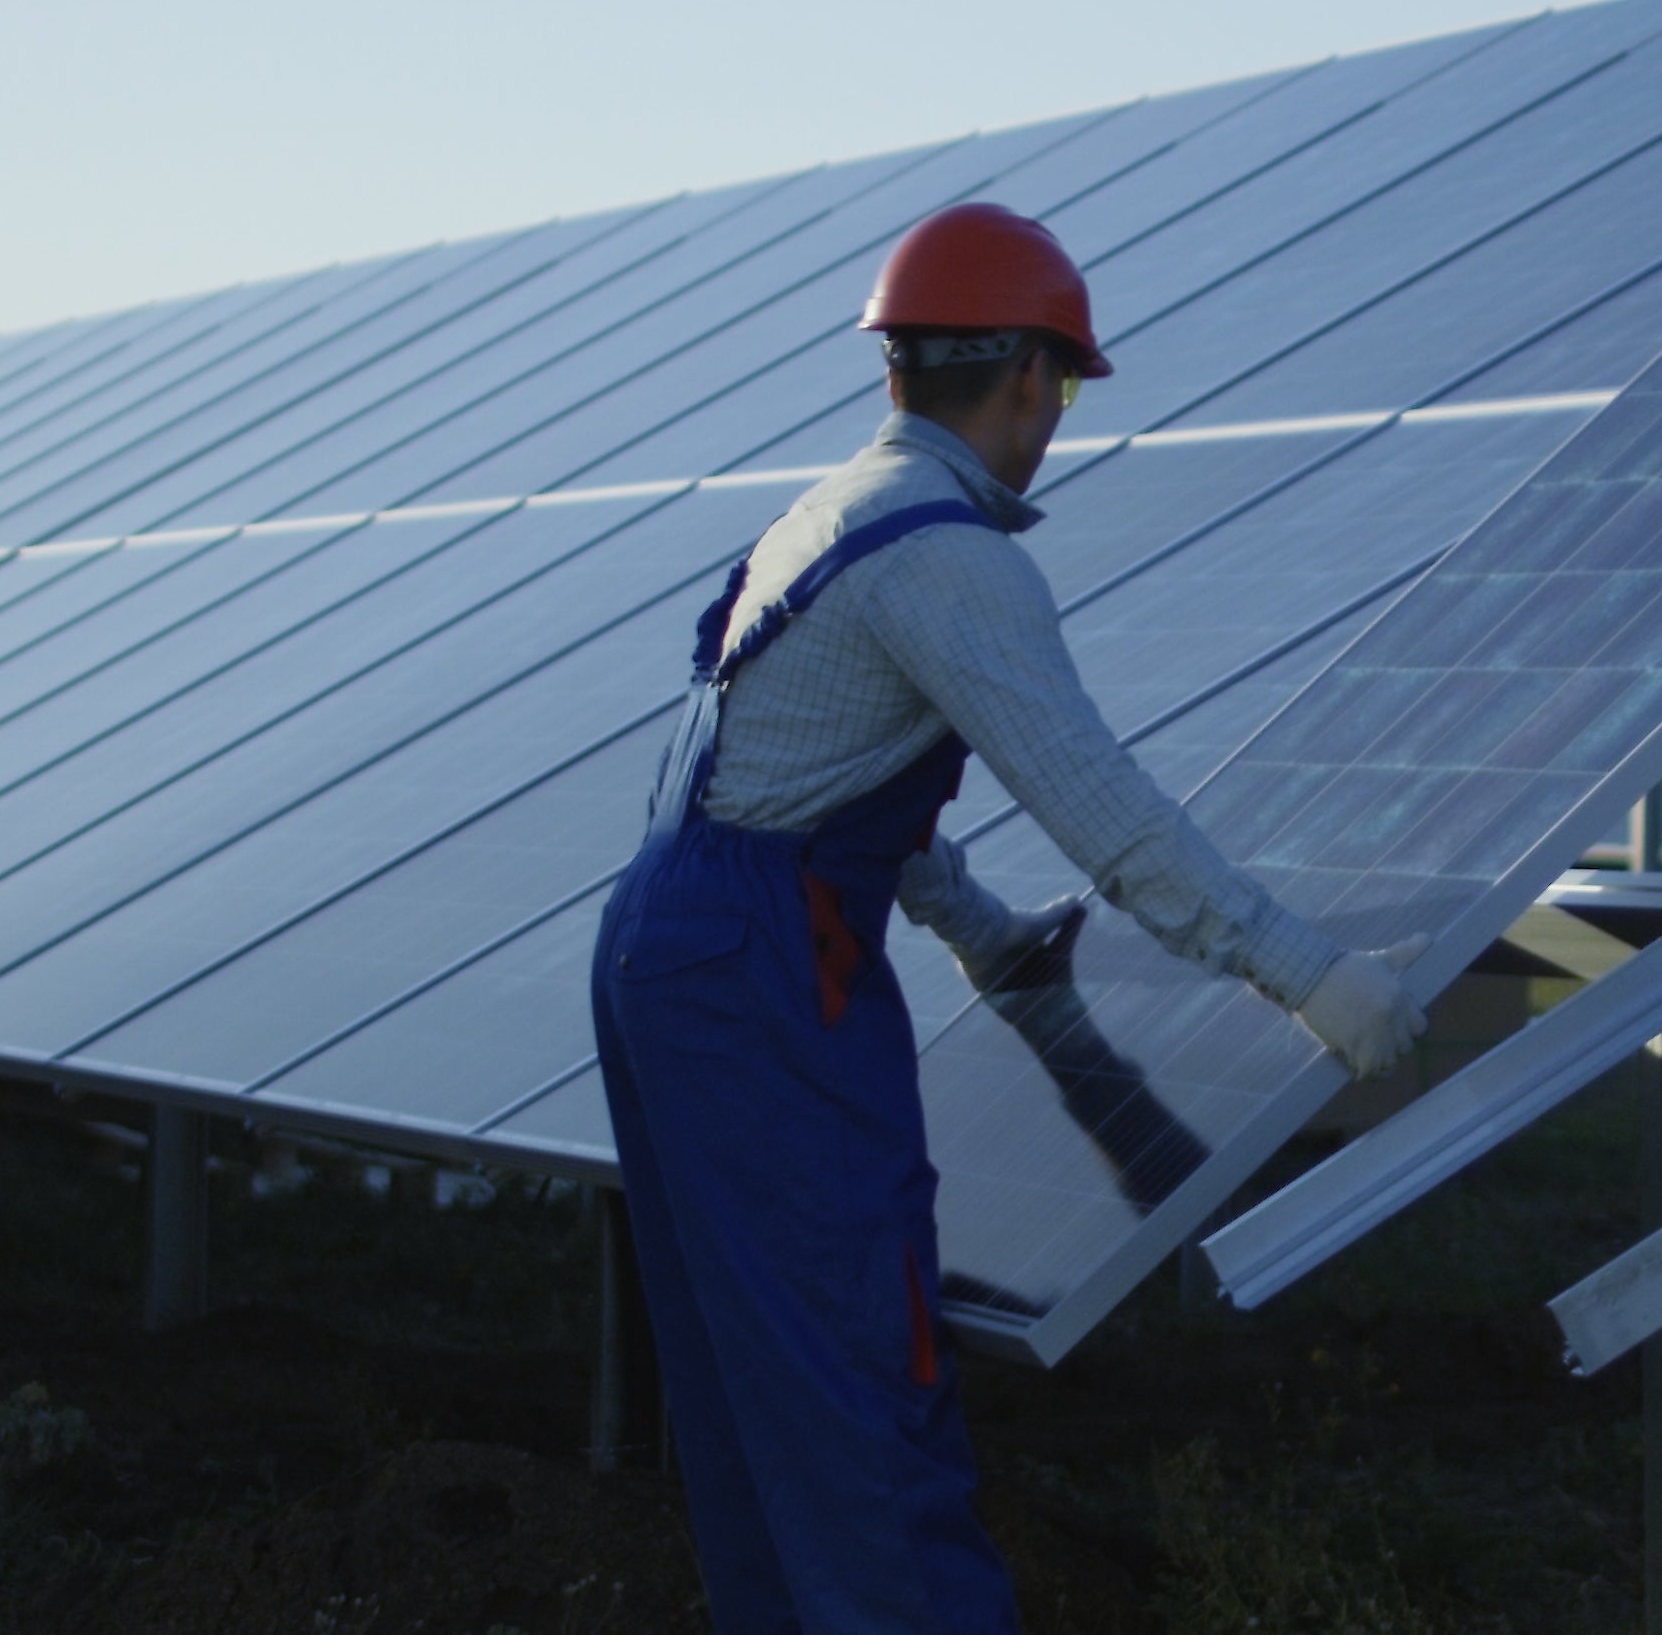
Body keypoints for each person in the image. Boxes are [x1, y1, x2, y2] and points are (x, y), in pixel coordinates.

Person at [589, 201, 1428, 1633]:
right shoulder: (954, 559)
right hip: (761, 973)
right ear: (1032, 376)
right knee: (859, 1371)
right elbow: (1108, 816)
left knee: (757, 1387)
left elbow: (827, 774)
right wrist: (1311, 979)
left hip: (678, 937)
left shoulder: (830, 516)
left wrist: (974, 925)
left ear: (896, 369)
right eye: (1063, 389)